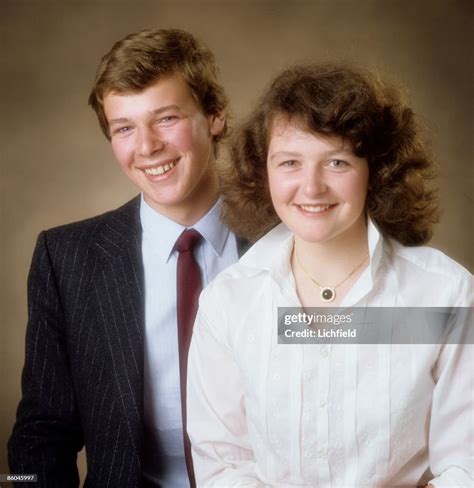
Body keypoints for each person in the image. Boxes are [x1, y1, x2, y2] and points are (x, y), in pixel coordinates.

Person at [187, 64, 473, 487]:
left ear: (375, 169)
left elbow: (465, 464)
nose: (312, 186)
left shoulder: (442, 294)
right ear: (263, 171)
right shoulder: (229, 302)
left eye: (336, 162)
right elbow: (224, 465)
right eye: (289, 162)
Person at [8, 28, 248, 488]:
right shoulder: (67, 260)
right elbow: (43, 434)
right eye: (124, 128)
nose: (146, 146)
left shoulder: (291, 242)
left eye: (166, 118)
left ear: (215, 116)